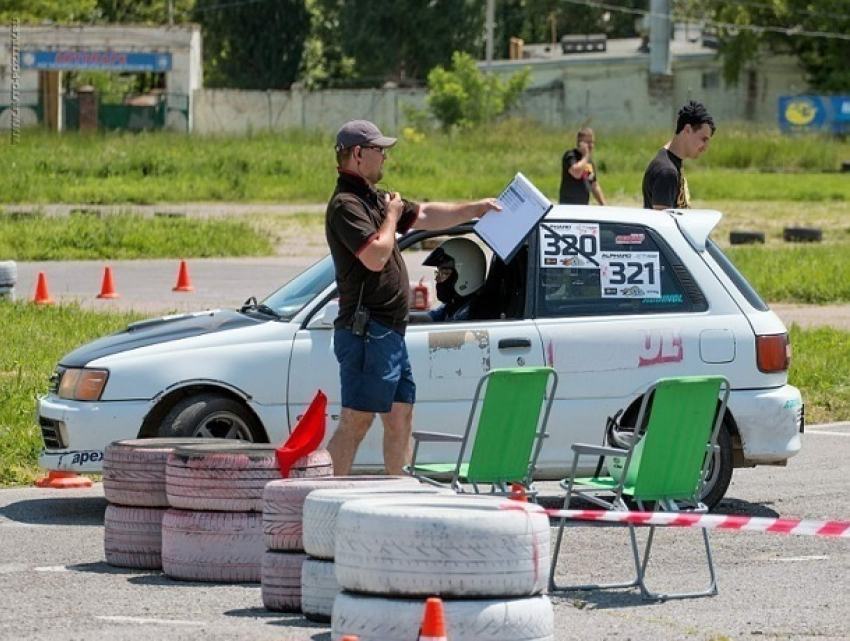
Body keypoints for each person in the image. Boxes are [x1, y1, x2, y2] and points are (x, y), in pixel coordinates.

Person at [324, 119, 501, 475]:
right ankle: (322, 493)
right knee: (357, 420)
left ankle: (399, 489)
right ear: (358, 154)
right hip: (367, 331)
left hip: (387, 331)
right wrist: (391, 217)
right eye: (379, 150)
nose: (385, 157)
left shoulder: (374, 198)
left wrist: (475, 208)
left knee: (401, 416)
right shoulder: (347, 205)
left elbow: (426, 214)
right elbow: (375, 256)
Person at [642, 101, 715, 210]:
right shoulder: (667, 171)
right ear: (688, 129)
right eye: (703, 139)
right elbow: (662, 219)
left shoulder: (672, 163)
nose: (705, 147)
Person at [417, 237, 487, 323]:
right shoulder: (455, 304)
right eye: (438, 272)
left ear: (466, 276)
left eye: (444, 273)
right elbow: (431, 317)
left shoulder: (471, 314)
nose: (437, 278)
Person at [558, 127, 606, 206]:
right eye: (588, 142)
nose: (591, 145)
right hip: (568, 205)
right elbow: (576, 173)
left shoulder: (588, 162)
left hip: (583, 205)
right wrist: (586, 156)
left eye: (592, 142)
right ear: (580, 143)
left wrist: (603, 204)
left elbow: (593, 185)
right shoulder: (570, 155)